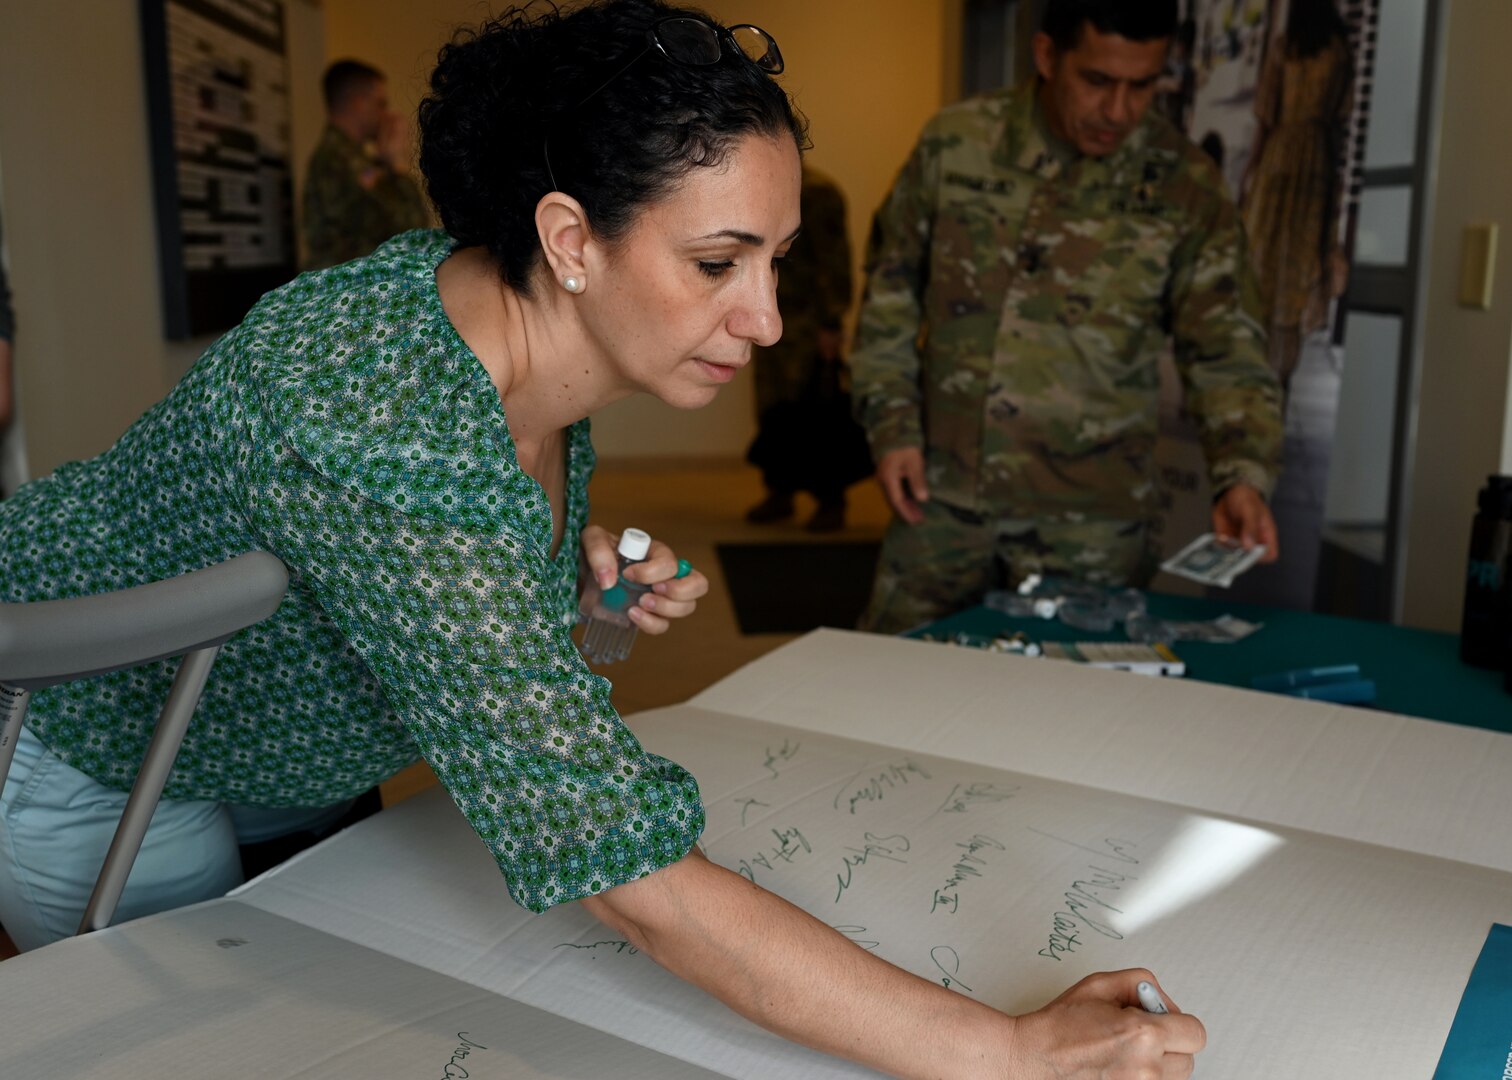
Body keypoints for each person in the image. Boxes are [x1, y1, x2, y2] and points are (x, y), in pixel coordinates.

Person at [0, 3, 1204, 1075]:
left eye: (776, 261)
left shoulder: (512, 333)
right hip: (95, 743)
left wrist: (571, 621)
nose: (770, 317)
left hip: (263, 735)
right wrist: (1003, 1053)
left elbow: (447, 625)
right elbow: (624, 872)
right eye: (719, 262)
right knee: (217, 1035)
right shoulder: (384, 418)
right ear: (571, 239)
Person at [851, 0, 1284, 635]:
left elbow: (1225, 347)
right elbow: (891, 293)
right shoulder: (959, 144)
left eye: (1143, 85)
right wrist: (892, 427)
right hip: (944, 501)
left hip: (1093, 523)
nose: (1119, 111)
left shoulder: (1184, 183)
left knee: (1074, 714)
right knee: (891, 685)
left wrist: (1242, 473)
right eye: (1098, 81)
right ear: (1048, 55)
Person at [1241, 0, 1353, 390]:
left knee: (1265, 261)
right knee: (1298, 268)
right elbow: (1341, 125)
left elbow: (1266, 119)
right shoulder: (1340, 50)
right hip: (1316, 170)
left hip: (1280, 159)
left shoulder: (1284, 46)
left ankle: (1254, 365)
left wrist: (1250, 174)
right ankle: (1282, 379)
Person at [743, 164, 856, 532]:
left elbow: (834, 260)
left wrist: (831, 322)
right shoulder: (767, 185)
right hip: (770, 311)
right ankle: (781, 490)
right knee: (775, 409)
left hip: (808, 321)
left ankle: (831, 498)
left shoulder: (817, 193)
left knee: (816, 412)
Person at [301, 59, 431, 270]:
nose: (385, 115)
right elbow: (411, 230)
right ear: (359, 102)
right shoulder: (345, 160)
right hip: (348, 291)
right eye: (381, 104)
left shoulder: (344, 157)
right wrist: (398, 167)